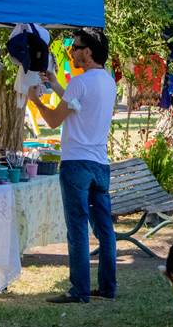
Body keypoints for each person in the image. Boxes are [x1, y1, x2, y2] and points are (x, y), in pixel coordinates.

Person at [28, 28, 117, 303]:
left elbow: (55, 120)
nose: (72, 52)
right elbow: (78, 105)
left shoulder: (81, 81)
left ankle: (79, 289)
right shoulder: (108, 81)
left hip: (76, 162)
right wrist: (55, 84)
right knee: (104, 230)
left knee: (77, 227)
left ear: (87, 52)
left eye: (75, 47)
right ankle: (107, 287)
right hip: (100, 163)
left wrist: (36, 101)